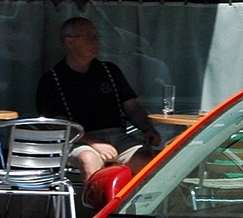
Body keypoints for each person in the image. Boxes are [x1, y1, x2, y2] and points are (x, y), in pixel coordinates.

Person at [35, 17, 162, 177]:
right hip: (79, 140)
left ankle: (136, 195)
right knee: (88, 159)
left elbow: (132, 108)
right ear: (70, 42)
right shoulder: (53, 79)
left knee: (147, 161)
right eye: (89, 36)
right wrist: (94, 143)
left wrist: (147, 128)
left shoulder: (109, 71)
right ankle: (96, 195)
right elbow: (59, 125)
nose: (95, 41)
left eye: (96, 36)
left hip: (118, 136)